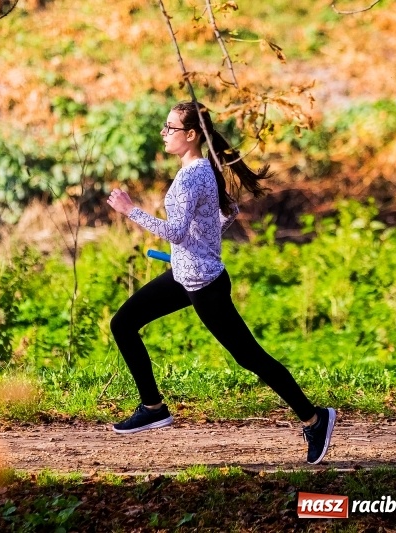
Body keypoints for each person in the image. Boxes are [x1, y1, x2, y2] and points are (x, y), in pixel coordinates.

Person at [106, 101, 335, 465]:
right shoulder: (202, 170)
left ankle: (314, 417)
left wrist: (129, 210)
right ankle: (153, 407)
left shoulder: (191, 176)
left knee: (249, 356)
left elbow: (177, 232)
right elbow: (229, 212)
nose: (164, 134)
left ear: (191, 135)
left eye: (170, 129)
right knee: (123, 323)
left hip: (203, 285)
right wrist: (204, 243)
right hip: (185, 274)